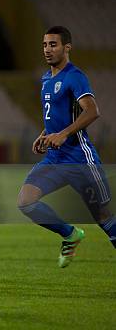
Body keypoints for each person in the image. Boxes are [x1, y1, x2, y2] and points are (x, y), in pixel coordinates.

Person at [18, 26, 115, 268]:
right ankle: (70, 234)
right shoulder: (45, 79)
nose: (48, 50)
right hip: (54, 159)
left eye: (53, 44)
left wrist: (63, 134)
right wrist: (45, 134)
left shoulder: (75, 76)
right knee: (26, 201)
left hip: (80, 159)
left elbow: (92, 111)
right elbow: (57, 115)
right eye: (44, 45)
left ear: (67, 47)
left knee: (103, 218)